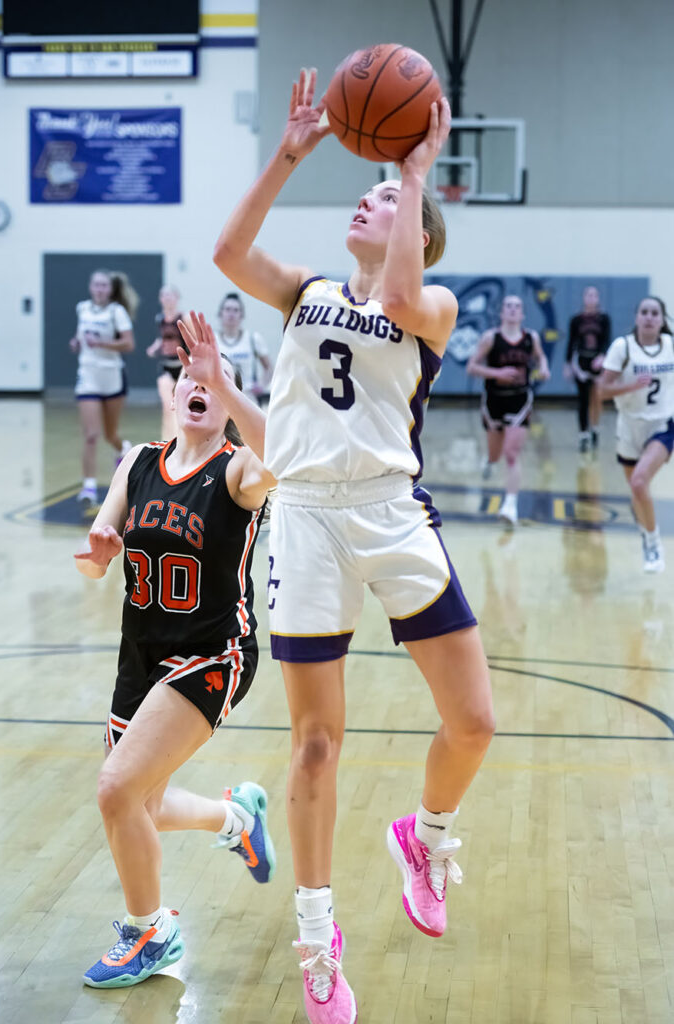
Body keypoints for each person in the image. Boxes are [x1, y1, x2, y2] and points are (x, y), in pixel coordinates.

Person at [213, 68, 495, 1024]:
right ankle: (317, 935)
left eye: (386, 195)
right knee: (317, 744)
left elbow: (406, 293)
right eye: (369, 187)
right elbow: (228, 250)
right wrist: (289, 154)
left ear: (416, 228)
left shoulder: (438, 306)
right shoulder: (303, 291)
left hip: (388, 508)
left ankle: (426, 835)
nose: (369, 193)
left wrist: (414, 170)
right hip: (304, 520)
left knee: (474, 723)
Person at [74, 312, 277, 988]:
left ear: (227, 403)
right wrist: (100, 553)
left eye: (213, 383)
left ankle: (151, 933)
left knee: (114, 790)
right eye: (189, 378)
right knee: (144, 804)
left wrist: (226, 376)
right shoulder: (137, 463)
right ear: (171, 395)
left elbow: (283, 453)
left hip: (213, 652)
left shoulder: (238, 472)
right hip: (141, 655)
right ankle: (236, 818)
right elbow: (97, 556)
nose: (199, 386)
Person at [598, 296, 674, 573]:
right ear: (637, 317)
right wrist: (629, 386)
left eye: (655, 312)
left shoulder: (670, 345)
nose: (650, 317)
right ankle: (645, 529)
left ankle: (653, 543)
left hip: (661, 426)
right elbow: (602, 390)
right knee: (636, 491)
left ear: (663, 319)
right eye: (645, 312)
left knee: (640, 482)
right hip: (628, 428)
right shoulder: (623, 347)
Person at [467, 295, 551, 526]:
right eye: (508, 306)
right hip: (494, 400)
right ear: (502, 313)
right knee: (495, 454)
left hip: (520, 400)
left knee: (512, 453)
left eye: (517, 306)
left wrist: (544, 368)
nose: (513, 310)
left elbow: (541, 357)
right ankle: (490, 462)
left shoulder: (531, 338)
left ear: (522, 314)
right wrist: (498, 374)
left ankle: (510, 506)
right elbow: (471, 367)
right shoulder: (490, 338)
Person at [70, 269, 138, 504]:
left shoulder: (116, 312)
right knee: (91, 434)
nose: (99, 289)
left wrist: (101, 343)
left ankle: (122, 448)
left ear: (110, 289)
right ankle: (88, 487)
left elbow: (129, 344)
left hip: (112, 377)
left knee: (110, 434)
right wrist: (77, 342)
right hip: (87, 375)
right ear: (91, 287)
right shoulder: (82, 308)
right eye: (96, 285)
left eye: (104, 285)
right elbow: (80, 336)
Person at [565, 286, 611, 453]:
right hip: (581, 362)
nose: (591, 298)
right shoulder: (576, 320)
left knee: (596, 398)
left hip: (598, 361)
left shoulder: (604, 319)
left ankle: (595, 428)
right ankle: (583, 434)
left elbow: (607, 340)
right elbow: (571, 342)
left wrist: (603, 356)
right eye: (588, 295)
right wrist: (568, 364)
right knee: (583, 399)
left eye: (594, 295)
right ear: (584, 298)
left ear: (598, 299)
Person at [146, 285, 188, 441]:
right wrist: (154, 347)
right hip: (166, 366)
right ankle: (166, 441)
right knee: (167, 406)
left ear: (176, 298)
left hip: (182, 367)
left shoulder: (183, 318)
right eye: (163, 295)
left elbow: (191, 339)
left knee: (181, 406)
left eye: (170, 295)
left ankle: (181, 439)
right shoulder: (159, 318)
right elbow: (162, 338)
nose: (167, 299)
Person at [216, 291, 272, 403]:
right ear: (221, 313)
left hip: (247, 398)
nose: (231, 314)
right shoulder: (212, 339)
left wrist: (261, 386)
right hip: (220, 399)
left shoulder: (253, 339)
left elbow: (269, 368)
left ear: (242, 315)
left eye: (236, 310)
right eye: (227, 309)